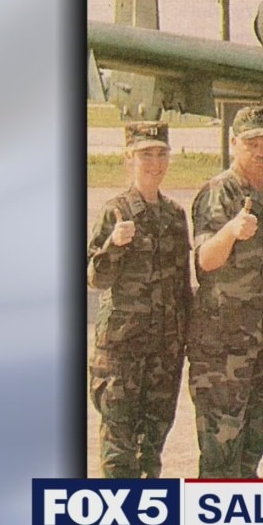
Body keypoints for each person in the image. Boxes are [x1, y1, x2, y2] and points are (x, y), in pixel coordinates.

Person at [86, 122, 191, 478]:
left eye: (161, 154)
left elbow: (181, 286)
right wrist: (114, 245)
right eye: (146, 154)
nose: (155, 163)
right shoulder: (115, 211)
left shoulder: (174, 215)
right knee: (119, 453)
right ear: (128, 158)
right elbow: (95, 278)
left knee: (151, 451)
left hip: (164, 352)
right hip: (123, 353)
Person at [188, 105, 263, 489]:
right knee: (221, 444)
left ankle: (241, 506)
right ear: (234, 143)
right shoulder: (219, 192)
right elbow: (205, 260)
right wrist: (230, 231)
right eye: (252, 143)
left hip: (260, 341)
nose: (261, 151)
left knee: (257, 429)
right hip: (222, 345)